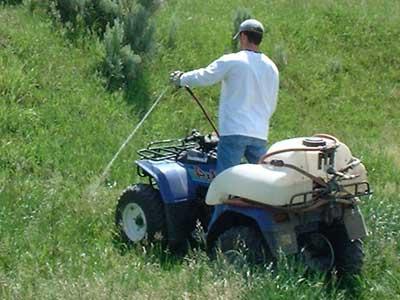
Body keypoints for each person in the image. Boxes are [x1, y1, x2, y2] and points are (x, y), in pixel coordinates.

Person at [170, 19, 279, 174]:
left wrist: (181, 79)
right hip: (259, 133)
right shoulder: (272, 67)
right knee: (262, 181)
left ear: (243, 36)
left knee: (225, 182)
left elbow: (205, 76)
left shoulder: (233, 60)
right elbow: (272, 103)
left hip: (234, 131)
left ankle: (221, 199)